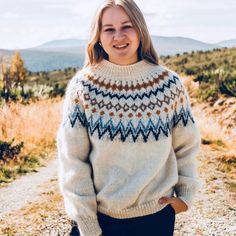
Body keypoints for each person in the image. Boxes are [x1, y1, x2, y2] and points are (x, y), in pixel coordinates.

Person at [56, 0, 202, 235]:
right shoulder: (83, 87)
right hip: (100, 221)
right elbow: (73, 161)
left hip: (155, 218)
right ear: (99, 36)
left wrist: (185, 195)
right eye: (109, 29)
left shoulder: (168, 85)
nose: (119, 36)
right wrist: (87, 223)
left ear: (140, 30)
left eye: (127, 26)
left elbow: (186, 145)